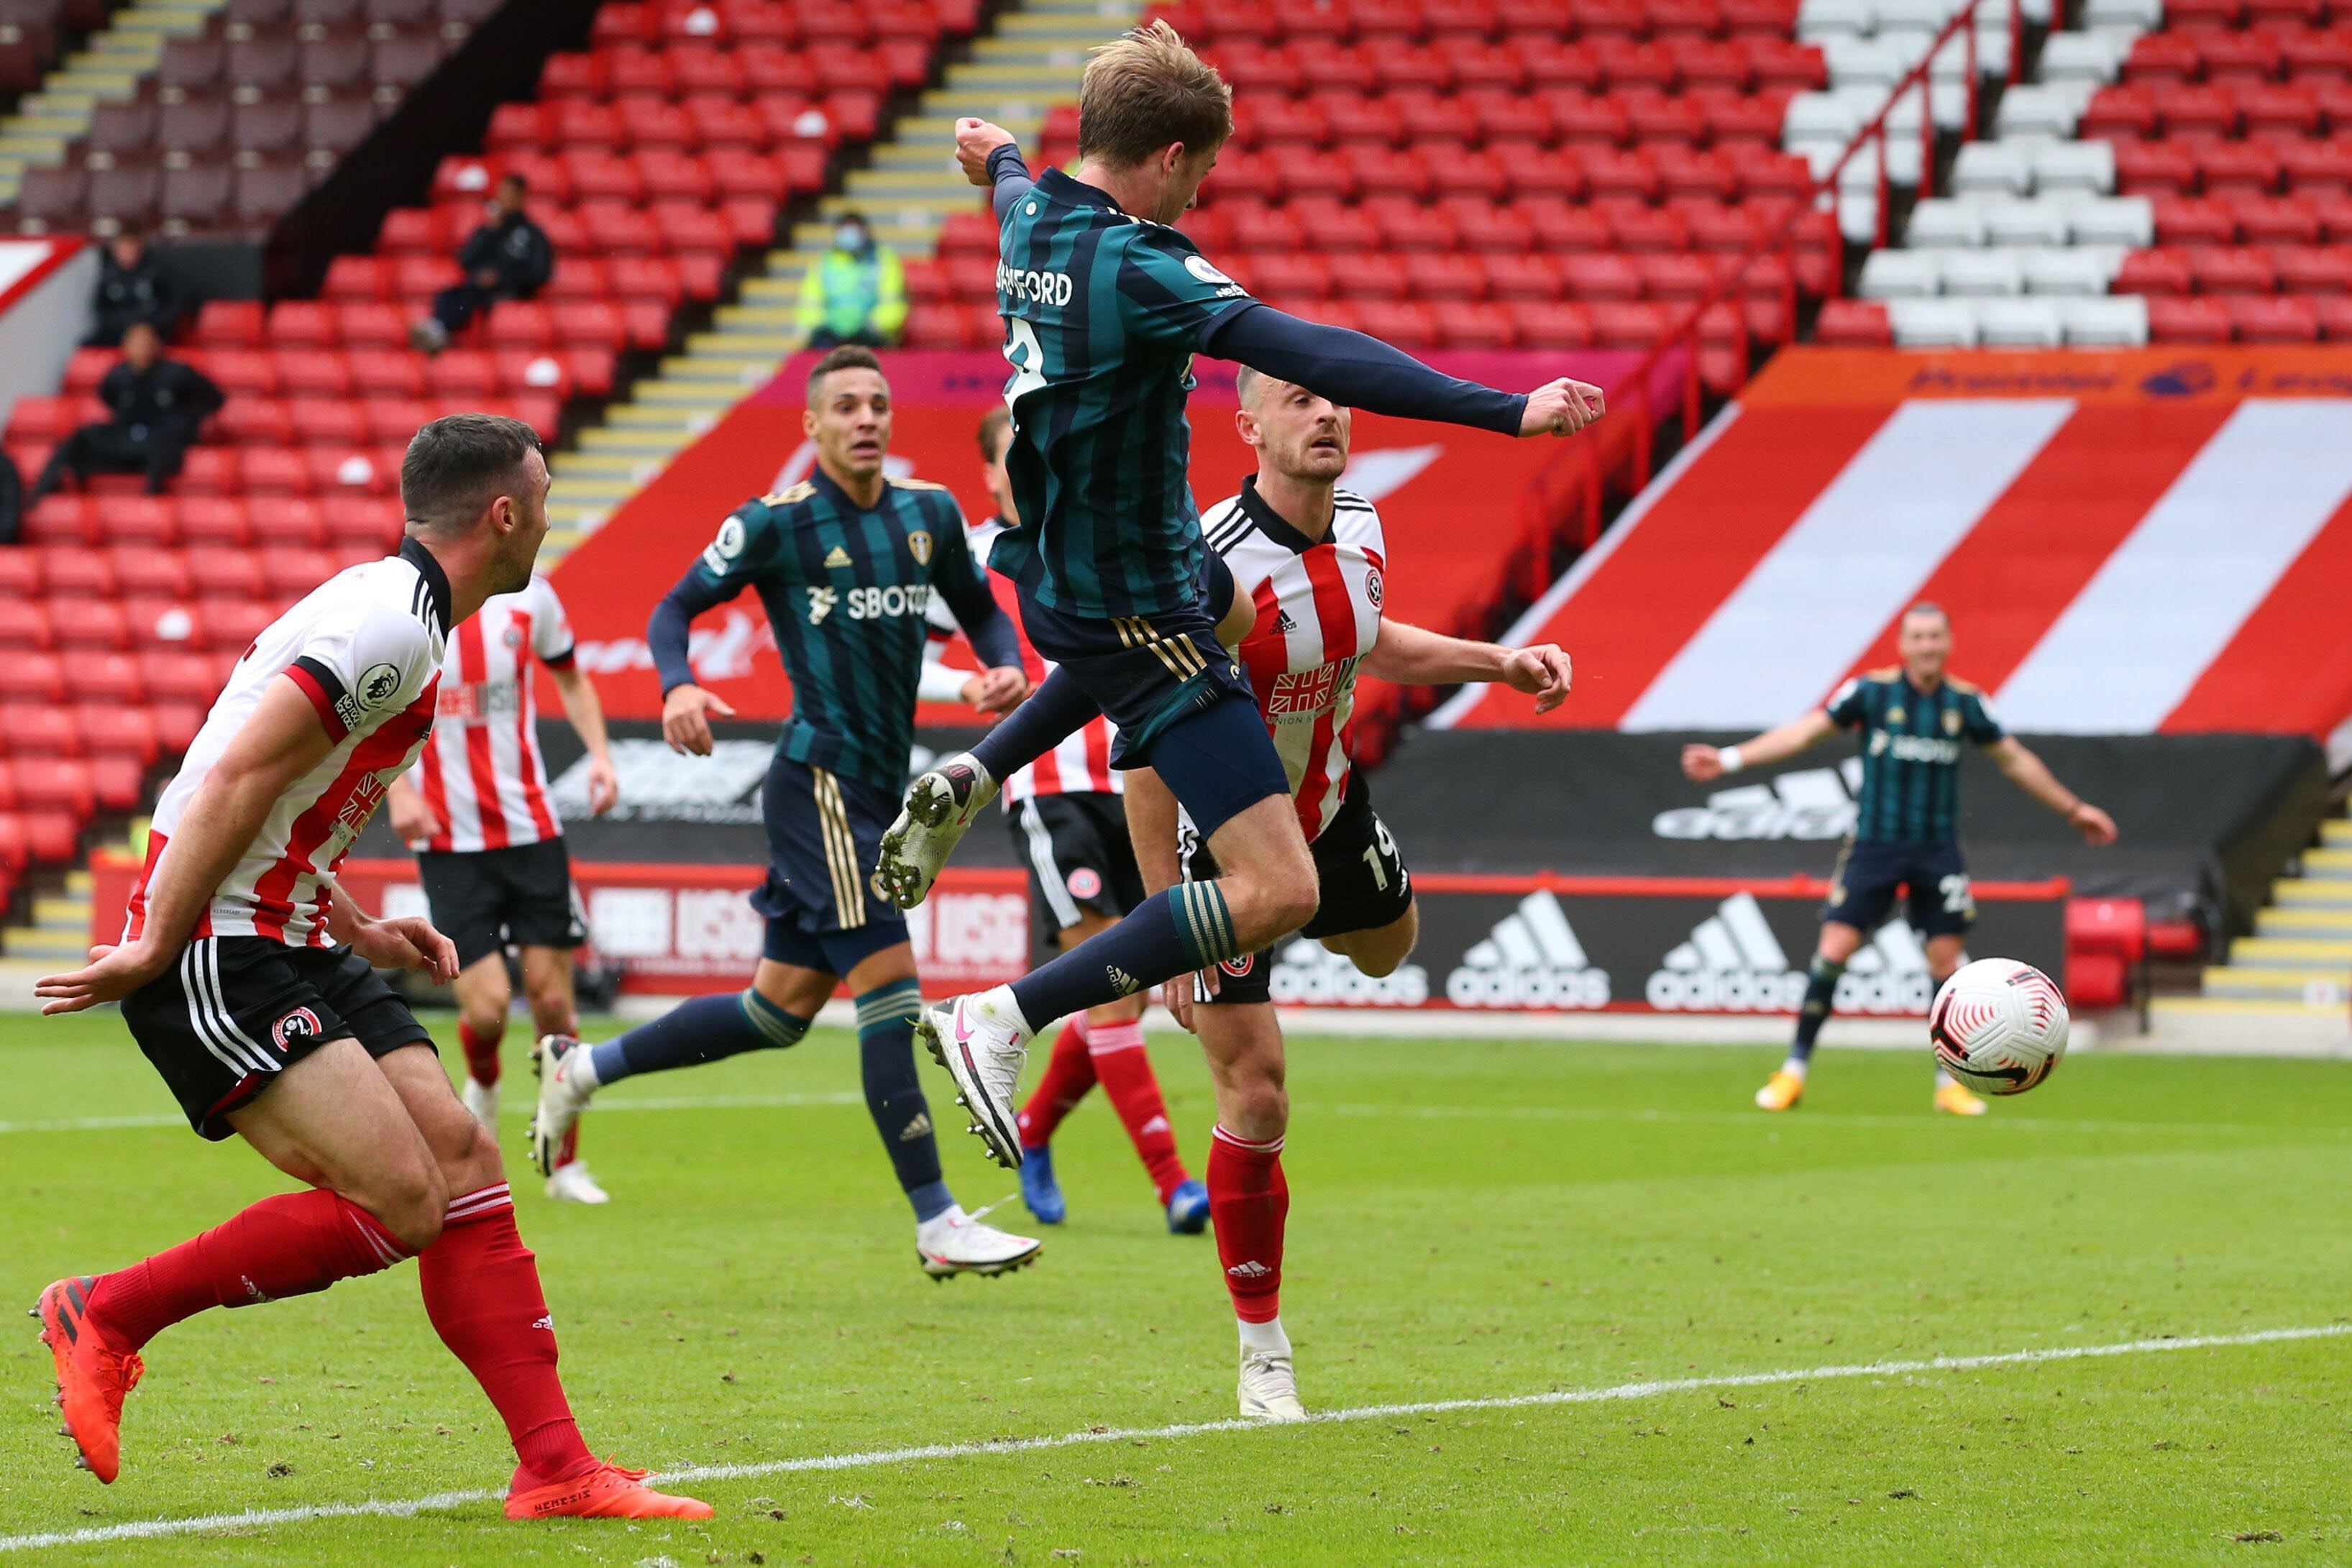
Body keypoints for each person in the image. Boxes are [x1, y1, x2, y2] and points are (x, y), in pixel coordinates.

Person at [873, 21, 1604, 1175]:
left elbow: (1013, 176)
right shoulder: (1141, 262)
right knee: (1274, 887)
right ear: (1166, 154)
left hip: (1074, 566)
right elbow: (1310, 344)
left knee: (1233, 603)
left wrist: (997, 152)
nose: (1200, 195)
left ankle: (978, 771)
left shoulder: (1030, 216)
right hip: (1134, 594)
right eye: (1200, 173)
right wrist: (1503, 410)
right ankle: (1001, 1015)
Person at [29, 414, 708, 1521]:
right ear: (503, 514)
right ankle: (104, 1311)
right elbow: (236, 777)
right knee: (402, 1203)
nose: (547, 516)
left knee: (464, 1158)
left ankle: (555, 1468)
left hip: (284, 930)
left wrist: (359, 929)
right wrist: (156, 938)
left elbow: (279, 795)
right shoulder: (391, 627)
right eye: (540, 496)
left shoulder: (397, 614)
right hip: (218, 944)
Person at [973, 369, 1575, 1418]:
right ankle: (1263, 1353)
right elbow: (1141, 747)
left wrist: (1498, 662)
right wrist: (1161, 919)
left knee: (1389, 947)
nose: (1328, 413)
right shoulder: (1204, 565)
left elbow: (1363, 637)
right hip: (1221, 849)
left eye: (1334, 401)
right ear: (1248, 427)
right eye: (1299, 399)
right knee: (1255, 1088)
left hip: (1331, 810)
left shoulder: (1362, 522)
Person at [527, 347, 1043, 1279]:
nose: (865, 418)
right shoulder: (775, 524)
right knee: (891, 989)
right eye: (843, 405)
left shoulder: (926, 515)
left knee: (776, 1012)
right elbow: (671, 611)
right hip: (818, 787)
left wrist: (1002, 663)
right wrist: (677, 686)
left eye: (878, 403)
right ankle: (937, 1219)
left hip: (883, 797)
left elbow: (981, 609)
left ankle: (580, 1071)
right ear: (810, 426)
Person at [920, 408, 1207, 1234]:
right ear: (985, 474)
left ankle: (1038, 1129)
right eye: (1012, 456)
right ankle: (1173, 1184)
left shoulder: (1096, 538)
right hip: (1048, 789)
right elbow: (901, 657)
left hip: (1142, 780)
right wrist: (969, 687)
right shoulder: (972, 558)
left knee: (1134, 989)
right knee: (1118, 998)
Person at [1682, 603, 2120, 1116]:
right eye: (1918, 636)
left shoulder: (1965, 703)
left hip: (1937, 850)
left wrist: (2072, 809)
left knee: (1944, 962)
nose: (1927, 645)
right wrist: (1732, 758)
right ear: (1902, 643)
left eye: (1935, 636)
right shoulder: (1870, 692)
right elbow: (1805, 732)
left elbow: (2014, 759)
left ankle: (1947, 1081)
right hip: (1874, 845)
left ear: (1948, 642)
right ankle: (1793, 1070)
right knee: (1834, 949)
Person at [385, 572, 619, 1206]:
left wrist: (600, 755)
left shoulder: (533, 597)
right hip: (450, 841)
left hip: (532, 829)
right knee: (486, 1006)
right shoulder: (412, 602)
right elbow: (377, 706)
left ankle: (565, 1162)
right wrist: (399, 790)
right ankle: (484, 1084)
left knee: (553, 1006)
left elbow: (570, 676)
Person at [30, 322, 221, 499]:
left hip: (161, 438)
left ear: (157, 345)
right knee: (83, 435)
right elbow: (108, 397)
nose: (141, 349)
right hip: (126, 435)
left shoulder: (177, 373)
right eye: (135, 343)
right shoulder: (117, 376)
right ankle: (47, 485)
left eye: (145, 343)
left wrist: (190, 421)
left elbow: (213, 398)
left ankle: (153, 492)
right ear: (125, 346)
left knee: (167, 445)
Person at [411, 175, 553, 354]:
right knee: (450, 293)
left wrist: (502, 278)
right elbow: (465, 260)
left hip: (512, 292)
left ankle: (438, 331)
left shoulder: (533, 234)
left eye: (508, 193)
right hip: (479, 289)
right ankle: (437, 330)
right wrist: (489, 232)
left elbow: (540, 272)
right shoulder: (489, 228)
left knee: (472, 293)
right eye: (501, 192)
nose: (502, 198)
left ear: (520, 197)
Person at [796, 211, 907, 349]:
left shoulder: (882, 259)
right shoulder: (823, 263)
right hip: (831, 338)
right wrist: (825, 327)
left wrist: (873, 326)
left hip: (872, 338)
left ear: (866, 232)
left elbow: (893, 302)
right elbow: (810, 304)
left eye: (855, 230)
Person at [88, 233, 181, 347]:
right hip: (118, 333)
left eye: (130, 248)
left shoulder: (157, 273)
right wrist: (123, 325)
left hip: (153, 330)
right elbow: (100, 309)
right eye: (123, 249)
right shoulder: (108, 276)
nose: (127, 253)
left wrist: (150, 325)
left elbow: (172, 305)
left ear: (139, 248)